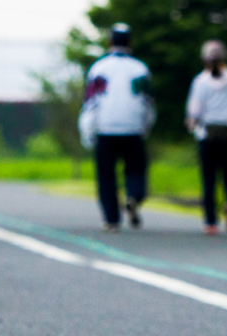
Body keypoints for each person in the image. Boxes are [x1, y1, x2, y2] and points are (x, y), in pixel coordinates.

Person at [79, 23, 155, 231]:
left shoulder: (99, 68)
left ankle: (111, 219)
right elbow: (147, 101)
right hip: (133, 128)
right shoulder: (140, 69)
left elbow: (91, 102)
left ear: (110, 41)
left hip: (105, 127)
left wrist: (87, 130)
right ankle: (133, 196)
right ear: (130, 42)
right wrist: (146, 125)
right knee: (136, 169)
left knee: (106, 175)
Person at [185, 40, 227, 235]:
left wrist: (192, 124)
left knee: (209, 179)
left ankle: (211, 222)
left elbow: (194, 110)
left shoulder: (200, 81)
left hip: (208, 135)